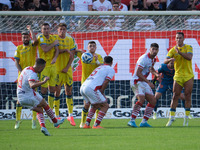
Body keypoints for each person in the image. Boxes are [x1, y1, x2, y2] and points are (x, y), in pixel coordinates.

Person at [17, 58, 64, 136]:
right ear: (40, 67)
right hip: (28, 95)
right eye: (43, 67)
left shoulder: (26, 69)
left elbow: (26, 81)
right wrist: (43, 82)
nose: (43, 69)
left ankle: (44, 127)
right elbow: (31, 85)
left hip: (20, 98)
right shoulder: (33, 73)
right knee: (44, 104)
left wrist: (38, 82)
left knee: (40, 110)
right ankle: (55, 122)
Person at [165, 32, 194, 127]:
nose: (178, 39)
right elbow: (165, 60)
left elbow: (189, 57)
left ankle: (186, 118)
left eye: (180, 38)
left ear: (183, 38)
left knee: (187, 95)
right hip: (178, 76)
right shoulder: (172, 50)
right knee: (175, 95)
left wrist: (180, 52)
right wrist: (170, 60)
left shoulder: (188, 47)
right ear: (175, 39)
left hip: (188, 75)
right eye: (177, 38)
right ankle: (171, 118)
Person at [128, 43, 160, 128]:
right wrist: (149, 82)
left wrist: (156, 74)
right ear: (149, 49)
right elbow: (138, 73)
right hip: (136, 81)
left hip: (143, 82)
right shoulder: (143, 59)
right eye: (152, 49)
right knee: (141, 99)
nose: (154, 51)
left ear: (158, 51)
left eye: (156, 49)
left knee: (153, 101)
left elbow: (151, 69)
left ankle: (144, 122)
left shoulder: (154, 59)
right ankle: (132, 120)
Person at [80, 56, 115, 129]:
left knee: (95, 105)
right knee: (105, 105)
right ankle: (96, 125)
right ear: (111, 62)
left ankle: (86, 124)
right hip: (91, 88)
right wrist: (102, 91)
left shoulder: (99, 67)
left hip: (83, 86)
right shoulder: (110, 69)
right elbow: (106, 82)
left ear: (104, 62)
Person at [14, 25, 38, 129]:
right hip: (22, 78)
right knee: (19, 100)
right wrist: (22, 72)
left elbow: (36, 40)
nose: (25, 39)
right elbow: (16, 62)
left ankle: (33, 121)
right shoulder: (18, 48)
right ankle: (17, 121)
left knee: (34, 98)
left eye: (27, 37)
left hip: (32, 76)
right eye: (23, 37)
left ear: (29, 37)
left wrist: (31, 30)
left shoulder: (32, 46)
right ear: (21, 38)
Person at [75, 41, 104, 128]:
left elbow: (102, 67)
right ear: (88, 48)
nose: (92, 47)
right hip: (85, 82)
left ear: (96, 48)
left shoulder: (98, 56)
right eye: (90, 46)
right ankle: (82, 123)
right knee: (86, 104)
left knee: (98, 103)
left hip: (95, 83)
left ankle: (96, 123)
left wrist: (96, 61)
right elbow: (72, 50)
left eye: (93, 46)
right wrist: (79, 50)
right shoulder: (84, 55)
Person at [53, 23, 75, 126]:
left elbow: (72, 55)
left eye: (64, 29)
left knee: (69, 91)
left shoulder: (70, 40)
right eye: (60, 29)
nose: (62, 31)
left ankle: (70, 115)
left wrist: (67, 67)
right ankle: (56, 116)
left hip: (67, 70)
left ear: (66, 30)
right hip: (57, 70)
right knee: (57, 93)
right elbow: (53, 52)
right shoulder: (54, 39)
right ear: (57, 30)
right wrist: (64, 50)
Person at [37, 23, 59, 115]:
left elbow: (57, 49)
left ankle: (50, 111)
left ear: (50, 29)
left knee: (52, 89)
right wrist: (53, 44)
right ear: (41, 30)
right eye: (44, 29)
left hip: (53, 66)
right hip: (44, 67)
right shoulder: (40, 38)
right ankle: (42, 108)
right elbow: (45, 49)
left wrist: (55, 58)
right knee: (43, 90)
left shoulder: (53, 37)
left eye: (47, 28)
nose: (46, 30)